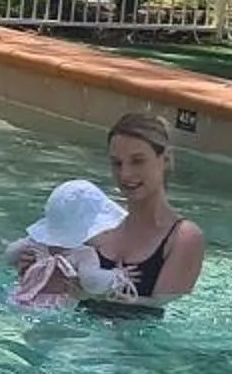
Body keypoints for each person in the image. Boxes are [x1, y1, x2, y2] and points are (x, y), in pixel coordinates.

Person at [82, 113, 207, 314]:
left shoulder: (183, 237)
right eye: (117, 163)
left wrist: (94, 294)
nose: (125, 174)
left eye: (137, 161)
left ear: (165, 159)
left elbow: (165, 313)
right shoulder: (102, 228)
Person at [5, 179, 131, 311]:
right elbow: (92, 283)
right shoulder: (84, 254)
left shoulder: (34, 242)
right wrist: (116, 276)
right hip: (54, 309)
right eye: (105, 230)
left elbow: (10, 254)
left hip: (20, 298)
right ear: (90, 228)